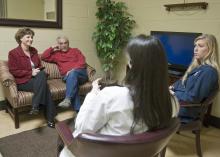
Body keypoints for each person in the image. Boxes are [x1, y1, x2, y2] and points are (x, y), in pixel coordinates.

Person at [59, 34, 179, 157]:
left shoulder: (112, 96)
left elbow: (82, 128)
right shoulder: (172, 101)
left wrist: (93, 94)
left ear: (132, 64)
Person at [8, 27, 56, 128]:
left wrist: (40, 70)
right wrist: (30, 73)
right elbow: (13, 71)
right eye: (28, 37)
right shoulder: (13, 53)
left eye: (32, 37)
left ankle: (35, 107)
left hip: (36, 80)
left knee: (42, 75)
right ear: (20, 38)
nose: (31, 39)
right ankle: (50, 118)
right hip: (23, 82)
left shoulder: (34, 50)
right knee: (46, 88)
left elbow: (38, 66)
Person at [170, 34, 219, 123]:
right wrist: (171, 87)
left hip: (186, 110)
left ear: (210, 50)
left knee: (149, 104)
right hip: (179, 104)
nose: (195, 49)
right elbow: (181, 82)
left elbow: (193, 97)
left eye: (200, 46)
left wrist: (173, 93)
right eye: (195, 45)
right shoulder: (198, 67)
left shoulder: (209, 72)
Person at [41, 36, 88, 112]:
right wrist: (52, 47)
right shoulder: (56, 54)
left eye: (65, 43)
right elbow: (43, 57)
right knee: (73, 84)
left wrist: (73, 70)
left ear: (68, 43)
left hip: (81, 74)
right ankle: (78, 112)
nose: (64, 45)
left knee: (73, 74)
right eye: (61, 43)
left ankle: (67, 99)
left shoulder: (75, 51)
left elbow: (82, 62)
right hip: (67, 77)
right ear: (58, 45)